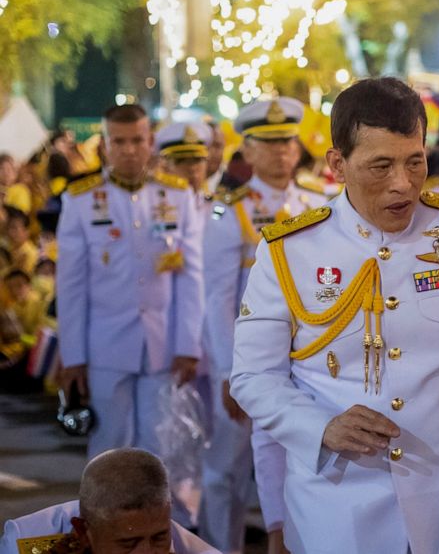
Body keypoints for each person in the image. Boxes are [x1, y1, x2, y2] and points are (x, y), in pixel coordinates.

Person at [229, 77, 439, 554]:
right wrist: (320, 427)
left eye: (415, 161)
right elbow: (253, 377)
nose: (402, 184)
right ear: (338, 165)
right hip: (336, 505)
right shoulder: (289, 250)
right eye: (380, 166)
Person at [201, 97, 325, 554]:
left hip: (309, 356)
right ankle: (219, 546)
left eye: (287, 141)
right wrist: (227, 371)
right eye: (268, 144)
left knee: (299, 460)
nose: (281, 152)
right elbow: (216, 297)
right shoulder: (228, 210)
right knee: (228, 469)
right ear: (247, 151)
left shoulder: (318, 202)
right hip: (249, 357)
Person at [55, 103, 205, 460]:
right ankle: (102, 518)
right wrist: (73, 355)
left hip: (162, 343)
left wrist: (189, 344)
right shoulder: (80, 200)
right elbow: (71, 286)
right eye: (118, 141)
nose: (128, 149)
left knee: (158, 449)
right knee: (108, 447)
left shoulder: (177, 196)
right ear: (105, 145)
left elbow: (191, 276)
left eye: (137, 140)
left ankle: (155, 518)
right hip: (104, 346)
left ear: (150, 141)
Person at [0, 448, 220, 554]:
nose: (146, 552)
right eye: (128, 543)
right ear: (83, 531)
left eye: (159, 538)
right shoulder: (27, 544)